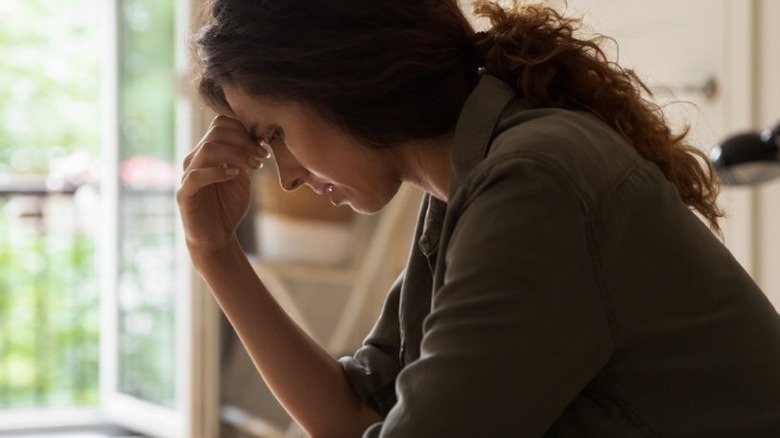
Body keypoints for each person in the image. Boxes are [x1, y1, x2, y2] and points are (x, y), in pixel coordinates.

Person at [177, 0, 780, 436]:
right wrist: (216, 253)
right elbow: (352, 415)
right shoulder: (461, 194)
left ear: (339, 78)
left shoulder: (534, 182)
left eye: (276, 135)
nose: (286, 177)